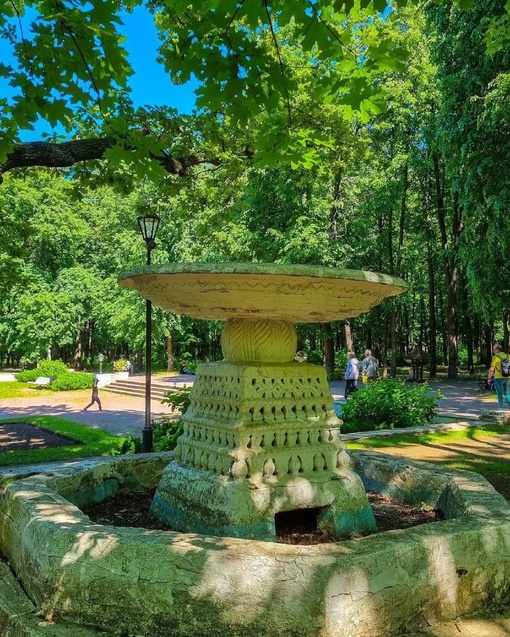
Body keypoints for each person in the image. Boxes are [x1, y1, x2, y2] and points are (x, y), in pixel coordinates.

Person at [488, 344, 510, 411]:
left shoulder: (495, 357)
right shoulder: (508, 356)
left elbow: (492, 369)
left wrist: (489, 378)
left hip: (498, 377)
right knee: (507, 393)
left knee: (499, 393)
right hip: (507, 377)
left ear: (497, 350)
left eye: (494, 350)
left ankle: (501, 408)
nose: (493, 351)